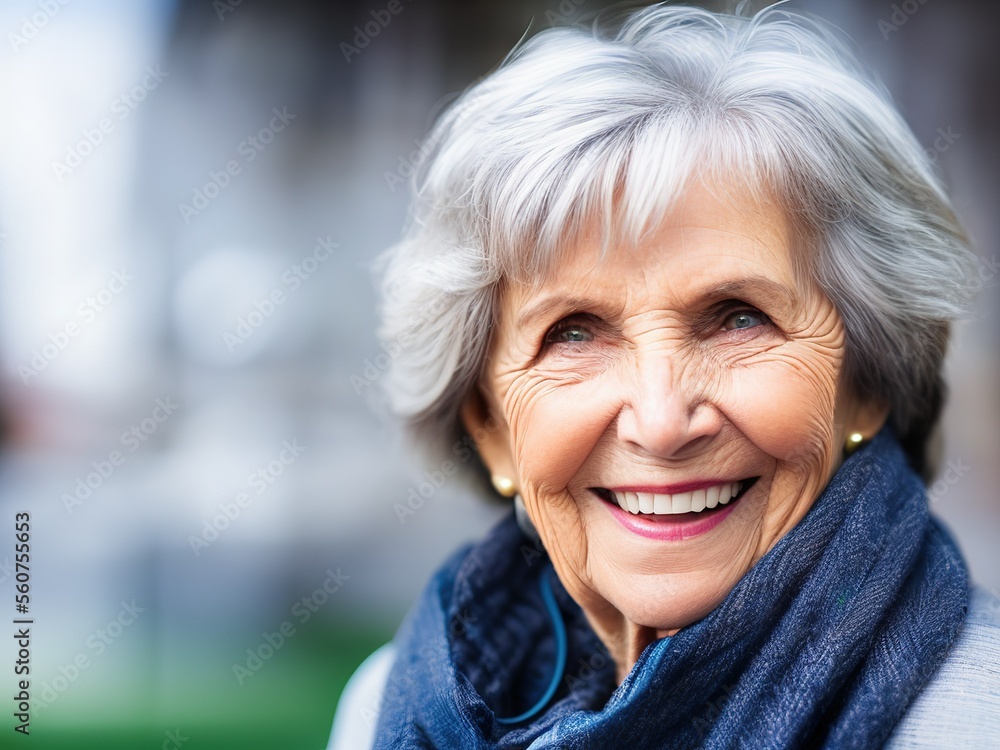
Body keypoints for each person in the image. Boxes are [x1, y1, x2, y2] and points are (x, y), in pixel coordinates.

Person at [328, 4, 1000, 748]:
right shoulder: (389, 708)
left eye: (738, 317)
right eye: (573, 333)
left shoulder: (972, 718)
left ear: (866, 384)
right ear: (490, 432)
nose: (660, 420)